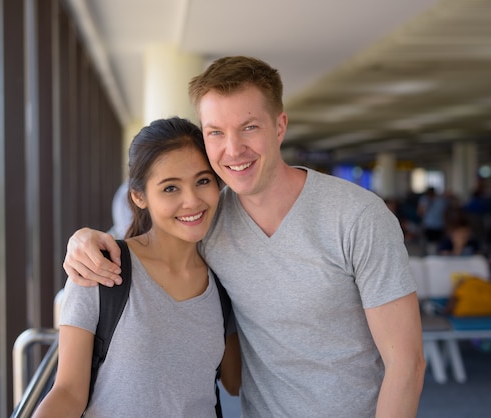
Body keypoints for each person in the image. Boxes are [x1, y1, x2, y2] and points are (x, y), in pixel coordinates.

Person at [63, 56, 425, 417]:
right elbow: (138, 244)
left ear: (279, 126)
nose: (233, 149)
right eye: (216, 132)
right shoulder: (206, 219)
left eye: (249, 127)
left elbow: (406, 363)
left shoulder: (357, 216)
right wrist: (80, 240)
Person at [34, 117, 240, 417]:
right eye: (170, 188)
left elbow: (235, 382)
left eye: (203, 181)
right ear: (139, 197)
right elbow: (67, 393)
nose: (192, 200)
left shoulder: (222, 281)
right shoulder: (100, 268)